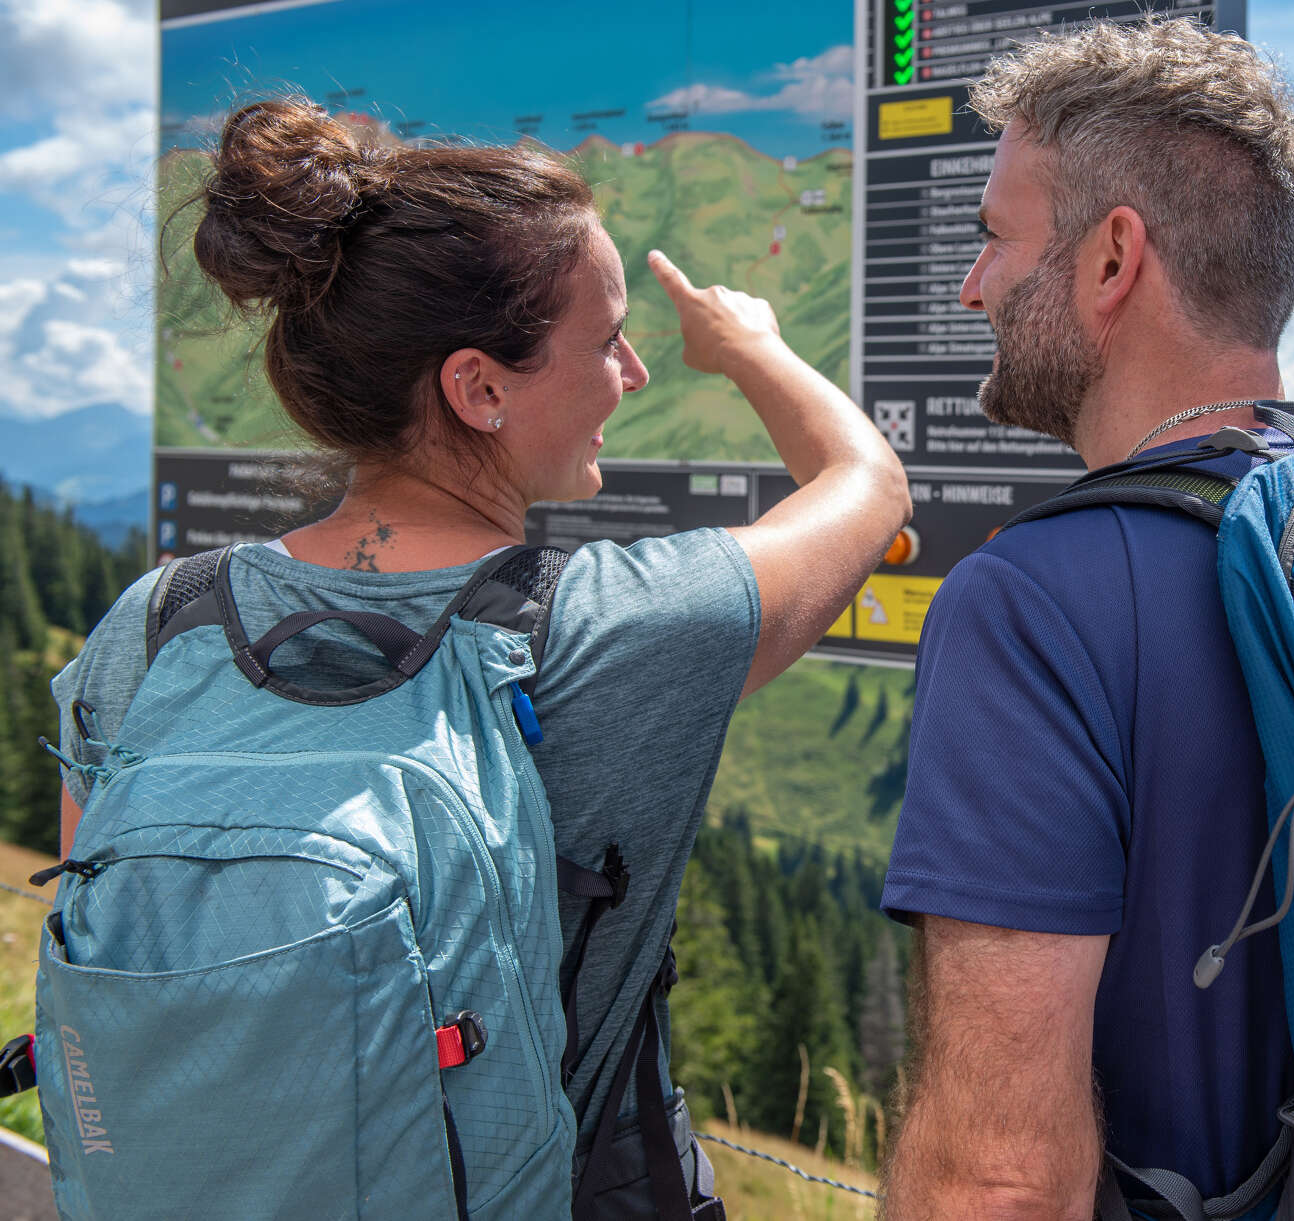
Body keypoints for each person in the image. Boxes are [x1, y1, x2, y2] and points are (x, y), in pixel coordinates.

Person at [52, 99, 910, 1214]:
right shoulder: (609, 633)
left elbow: (100, 939)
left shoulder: (158, 624)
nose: (634, 373)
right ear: (479, 388)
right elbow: (868, 485)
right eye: (605, 341)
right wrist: (748, 346)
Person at [878, 18, 1294, 1220]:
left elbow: (1001, 1181)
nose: (974, 287)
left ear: (1112, 258)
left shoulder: (1035, 601)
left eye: (993, 240)